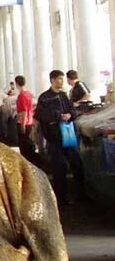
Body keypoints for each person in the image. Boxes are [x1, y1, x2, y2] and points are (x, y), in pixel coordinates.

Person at [36, 70, 88, 207]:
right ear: (52, 80)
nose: (62, 81)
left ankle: (81, 195)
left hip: (68, 137)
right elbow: (41, 116)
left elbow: (72, 110)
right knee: (59, 168)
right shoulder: (44, 98)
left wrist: (70, 115)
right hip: (54, 138)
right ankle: (61, 199)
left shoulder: (64, 96)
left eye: (62, 79)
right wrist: (58, 116)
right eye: (59, 79)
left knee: (77, 164)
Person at [14, 75, 40, 166]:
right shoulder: (29, 94)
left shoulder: (22, 95)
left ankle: (29, 164)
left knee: (24, 145)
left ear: (16, 83)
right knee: (29, 143)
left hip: (23, 122)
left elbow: (24, 111)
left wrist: (23, 125)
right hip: (30, 120)